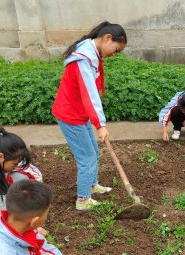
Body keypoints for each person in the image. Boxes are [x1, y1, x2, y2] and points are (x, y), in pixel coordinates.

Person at [52, 21, 127, 211]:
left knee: (93, 150)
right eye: (116, 50)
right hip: (71, 115)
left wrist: (95, 121)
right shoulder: (83, 59)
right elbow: (89, 93)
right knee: (87, 158)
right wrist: (100, 124)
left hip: (79, 113)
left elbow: (89, 92)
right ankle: (83, 200)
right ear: (107, 38)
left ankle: (92, 185)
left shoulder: (90, 53)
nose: (114, 54)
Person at [0, 127, 43, 231]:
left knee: (22, 179)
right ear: (0, 157)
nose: (16, 166)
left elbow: (35, 175)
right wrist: (19, 230)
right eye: (14, 164)